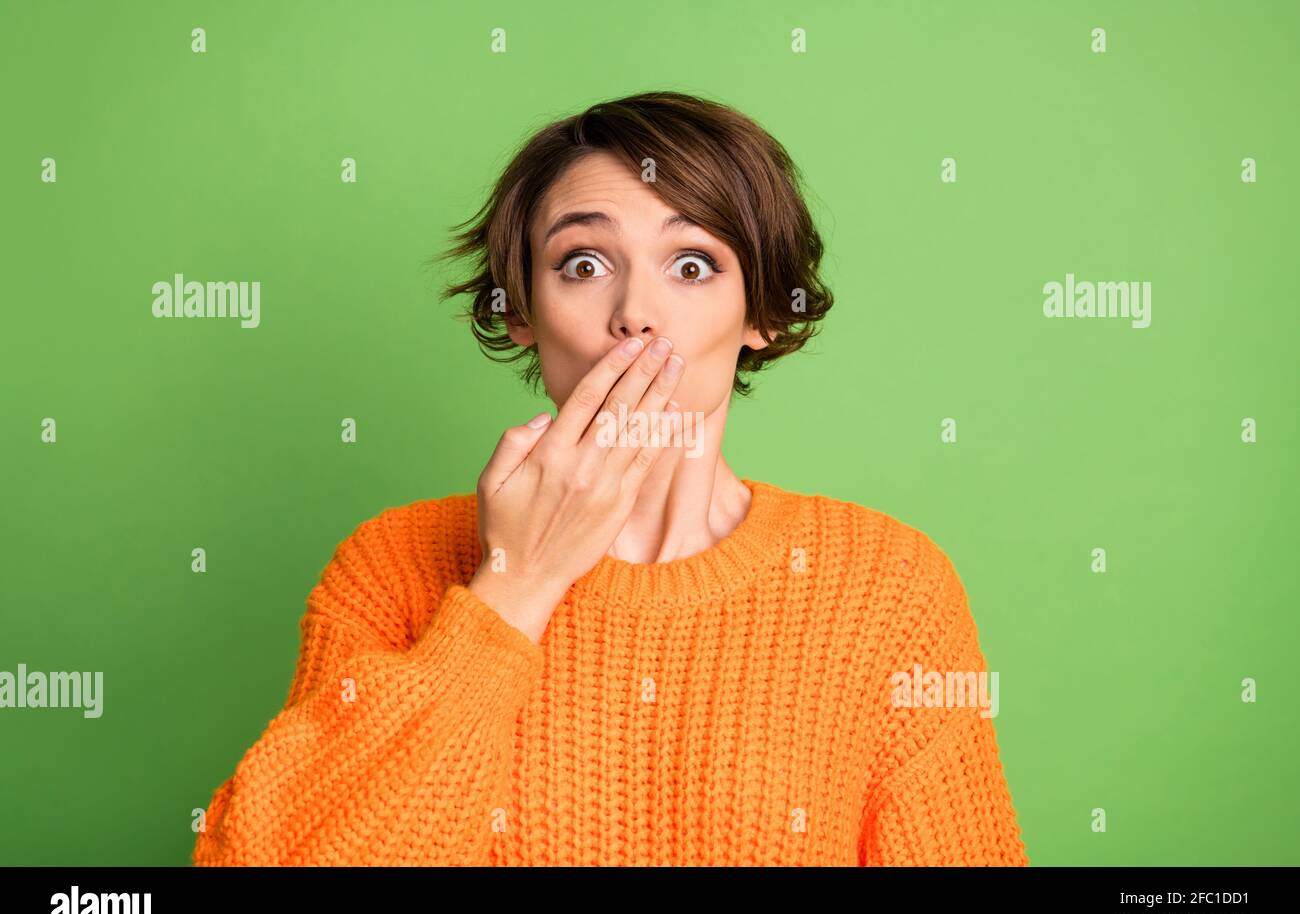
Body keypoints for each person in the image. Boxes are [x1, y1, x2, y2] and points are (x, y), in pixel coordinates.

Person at [192, 91, 1028, 866]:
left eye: (693, 265)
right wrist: (516, 586)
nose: (636, 312)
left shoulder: (888, 589)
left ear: (763, 314)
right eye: (584, 263)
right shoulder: (390, 568)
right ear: (520, 310)